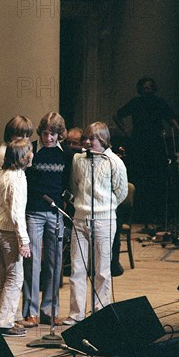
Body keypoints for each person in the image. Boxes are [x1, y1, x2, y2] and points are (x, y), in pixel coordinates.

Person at [63, 122, 128, 325]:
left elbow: (121, 191)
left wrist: (104, 208)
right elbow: (75, 185)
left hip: (104, 220)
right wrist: (81, 207)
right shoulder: (78, 159)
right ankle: (76, 314)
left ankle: (101, 312)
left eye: (92, 139)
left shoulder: (114, 162)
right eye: (86, 138)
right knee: (77, 268)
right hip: (80, 218)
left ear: (103, 140)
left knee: (101, 270)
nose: (88, 142)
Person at [21, 112, 70, 328]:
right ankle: (30, 311)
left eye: (53, 134)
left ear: (60, 135)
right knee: (33, 261)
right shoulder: (30, 150)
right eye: (45, 133)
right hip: (33, 211)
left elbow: (67, 184)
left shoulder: (66, 155)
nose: (48, 138)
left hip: (56, 212)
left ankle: (49, 310)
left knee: (55, 262)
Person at [113, 76, 179, 228]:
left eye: (150, 87)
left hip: (156, 145)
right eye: (145, 87)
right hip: (139, 144)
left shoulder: (159, 102)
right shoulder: (136, 102)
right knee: (139, 178)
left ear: (153, 89)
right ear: (140, 89)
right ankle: (139, 214)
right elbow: (117, 115)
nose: (147, 90)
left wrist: (178, 133)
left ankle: (155, 215)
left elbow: (171, 119)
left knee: (156, 179)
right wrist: (126, 132)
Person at [0, 139, 33, 337]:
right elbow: (16, 214)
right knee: (15, 277)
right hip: (8, 231)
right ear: (23, 157)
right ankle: (4, 322)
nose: (32, 154)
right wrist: (24, 240)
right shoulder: (16, 178)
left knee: (1, 275)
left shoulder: (5, 174)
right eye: (30, 151)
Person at [0, 116, 34, 186]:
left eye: (27, 136)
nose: (25, 140)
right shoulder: (2, 153)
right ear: (10, 135)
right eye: (20, 136)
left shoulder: (18, 151)